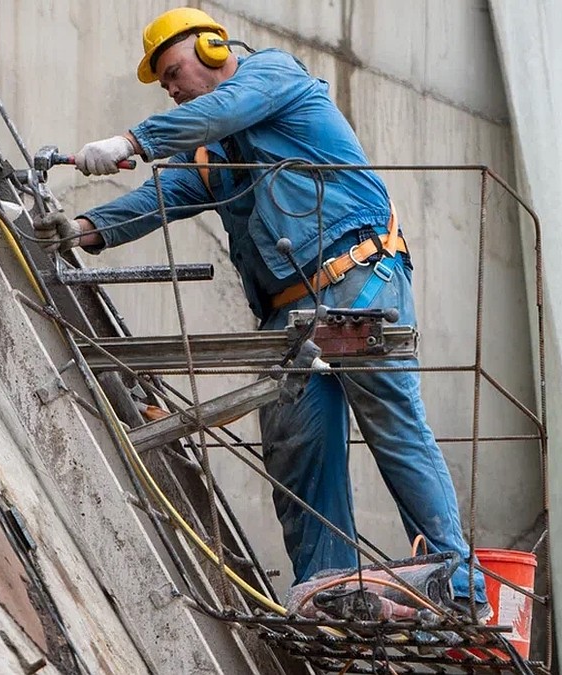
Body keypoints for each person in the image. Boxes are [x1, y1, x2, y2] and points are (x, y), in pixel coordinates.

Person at [36, 6, 490, 622]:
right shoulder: (216, 154)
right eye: (164, 83)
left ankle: (455, 582)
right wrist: (85, 228)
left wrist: (134, 140)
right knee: (296, 444)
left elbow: (219, 109)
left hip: (354, 278)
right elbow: (163, 197)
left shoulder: (275, 76)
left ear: (217, 49)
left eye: (173, 72)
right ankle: (330, 587)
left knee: (390, 420)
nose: (171, 89)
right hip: (290, 313)